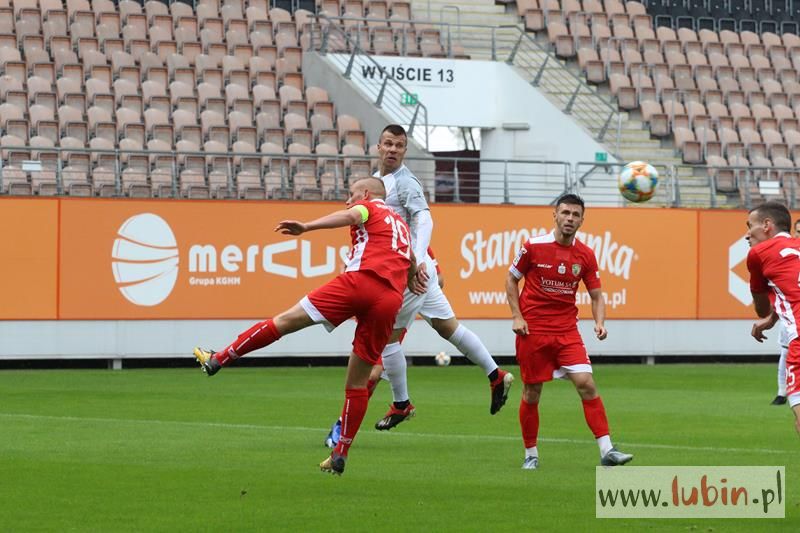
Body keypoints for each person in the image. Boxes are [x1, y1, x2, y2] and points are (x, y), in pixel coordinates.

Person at [192, 177, 415, 475]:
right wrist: (414, 276)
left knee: (285, 321)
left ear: (365, 193)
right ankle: (340, 454)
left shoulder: (368, 207)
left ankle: (219, 358)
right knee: (357, 384)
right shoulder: (400, 225)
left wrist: (307, 227)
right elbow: (411, 259)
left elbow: (351, 216)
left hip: (360, 282)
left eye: (351, 194)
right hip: (389, 299)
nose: (348, 201)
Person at [329, 124, 514, 440]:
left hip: (405, 271)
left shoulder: (406, 182)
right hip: (416, 268)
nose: (393, 149)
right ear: (378, 146)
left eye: (399, 145)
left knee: (387, 341)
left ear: (404, 150)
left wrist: (412, 263)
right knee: (448, 327)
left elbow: (425, 219)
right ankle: (495, 374)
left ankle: (400, 404)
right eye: (388, 143)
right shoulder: (376, 183)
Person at [505, 193, 633, 470]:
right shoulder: (533, 247)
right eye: (565, 213)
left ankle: (607, 450)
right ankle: (531, 454)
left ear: (582, 220)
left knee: (586, 383)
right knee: (532, 392)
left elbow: (596, 295)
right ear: (555, 215)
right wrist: (517, 316)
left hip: (566, 331)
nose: (569, 219)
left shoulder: (585, 255)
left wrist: (599, 322)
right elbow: (511, 279)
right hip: (533, 331)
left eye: (575, 215)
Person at [324, 246, 445, 448]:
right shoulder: (377, 238)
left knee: (373, 373)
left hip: (396, 318)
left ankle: (342, 426)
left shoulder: (421, 244)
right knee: (368, 374)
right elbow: (348, 269)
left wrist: (420, 285)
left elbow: (439, 280)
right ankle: (344, 427)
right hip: (375, 313)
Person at [747, 201, 800, 436]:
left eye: (750, 226)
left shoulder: (758, 254)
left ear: (767, 225)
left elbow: (761, 308)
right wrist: (772, 320)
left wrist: (766, 315)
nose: (747, 234)